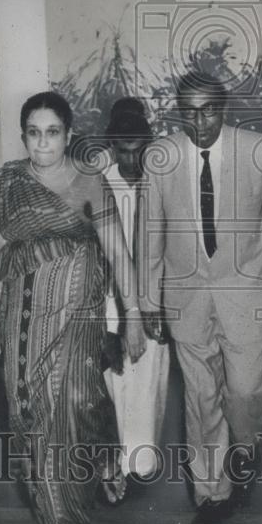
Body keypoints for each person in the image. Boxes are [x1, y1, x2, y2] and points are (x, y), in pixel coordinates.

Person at [137, 70, 262, 524]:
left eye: (209, 109)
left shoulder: (256, 151)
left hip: (248, 293)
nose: (200, 120)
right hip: (186, 297)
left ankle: (245, 445)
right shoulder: (161, 156)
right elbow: (148, 233)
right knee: (200, 394)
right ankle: (212, 491)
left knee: (247, 391)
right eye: (190, 111)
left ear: (224, 108)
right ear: (178, 111)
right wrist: (149, 301)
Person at [0, 91, 145, 524]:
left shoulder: (90, 181)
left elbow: (118, 253)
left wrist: (132, 316)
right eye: (33, 134)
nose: (42, 144)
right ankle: (59, 510)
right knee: (28, 410)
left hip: (79, 316)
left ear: (68, 135)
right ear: (23, 137)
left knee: (74, 404)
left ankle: (67, 516)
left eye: (52, 133)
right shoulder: (6, 183)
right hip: (22, 318)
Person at [102, 104, 170, 496]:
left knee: (149, 382)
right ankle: (113, 464)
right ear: (112, 146)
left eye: (137, 150)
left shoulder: (162, 183)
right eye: (123, 150)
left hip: (154, 302)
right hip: (110, 304)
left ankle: (140, 464)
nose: (131, 159)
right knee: (115, 385)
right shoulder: (99, 183)